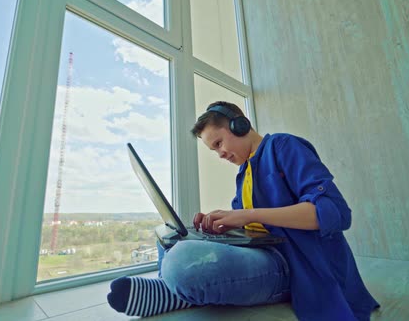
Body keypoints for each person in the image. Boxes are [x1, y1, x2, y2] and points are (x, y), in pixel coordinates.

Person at [107, 101, 380, 320]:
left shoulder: (284, 146)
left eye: (218, 144)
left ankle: (172, 290)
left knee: (181, 261)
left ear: (239, 125)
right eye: (214, 150)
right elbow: (250, 225)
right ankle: (177, 287)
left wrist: (248, 214)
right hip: (262, 252)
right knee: (171, 236)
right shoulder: (244, 173)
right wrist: (223, 223)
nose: (220, 154)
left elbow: (335, 213)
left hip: (295, 265)